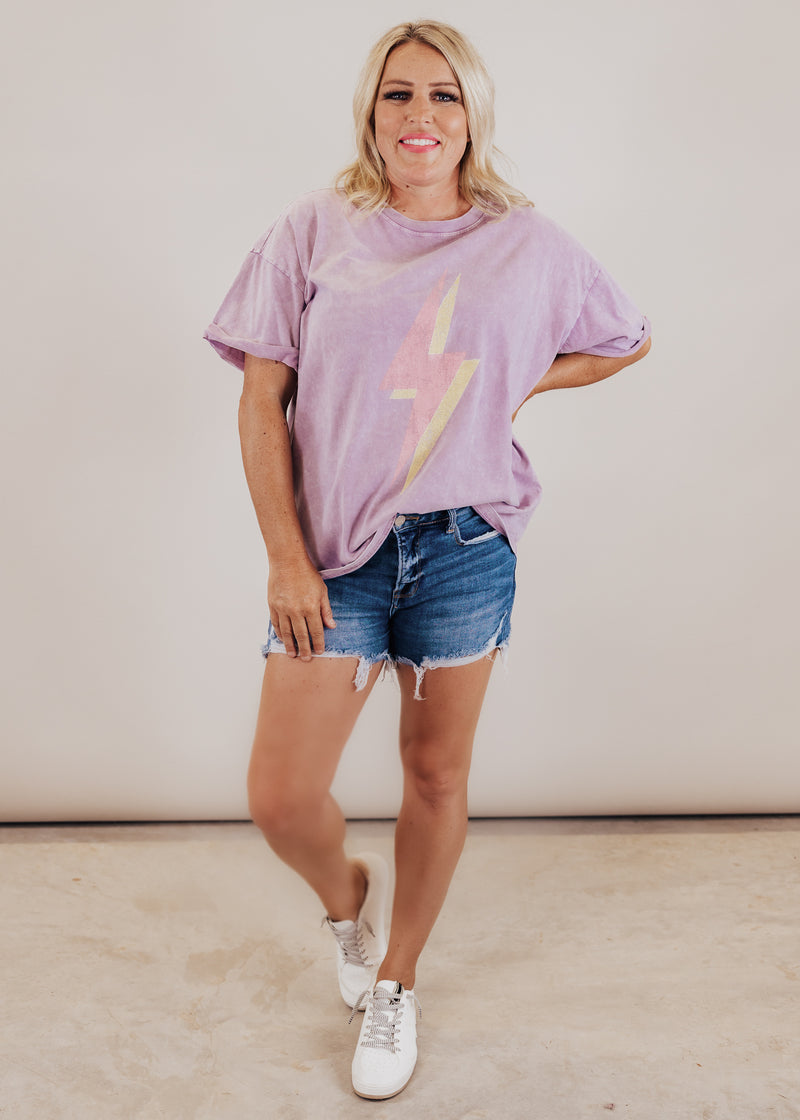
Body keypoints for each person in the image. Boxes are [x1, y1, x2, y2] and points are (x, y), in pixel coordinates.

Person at [204, 18, 651, 1100]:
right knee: (279, 796)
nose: (421, 115)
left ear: (473, 115)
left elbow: (625, 336)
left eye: (444, 95)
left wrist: (510, 378)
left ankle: (397, 979)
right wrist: (285, 558)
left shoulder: (527, 241)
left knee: (436, 774)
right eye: (398, 93)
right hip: (333, 554)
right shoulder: (314, 229)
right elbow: (260, 402)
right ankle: (347, 901)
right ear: (370, 111)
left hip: (465, 546)